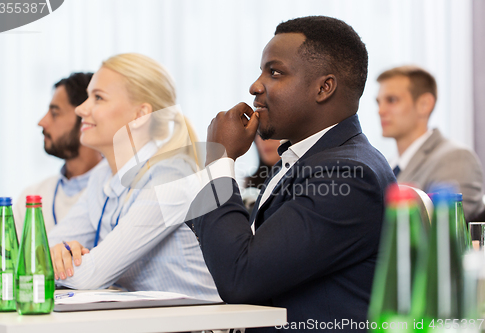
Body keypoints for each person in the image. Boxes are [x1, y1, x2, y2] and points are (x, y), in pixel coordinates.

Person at [186, 16, 396, 332]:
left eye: (275, 72)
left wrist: (220, 160)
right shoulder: (308, 157)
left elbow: (240, 277)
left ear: (324, 88)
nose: (256, 85)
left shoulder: (349, 175)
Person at [48, 53, 219, 301]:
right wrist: (58, 253)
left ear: (141, 115)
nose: (81, 109)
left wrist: (55, 264)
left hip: (201, 327)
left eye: (98, 98)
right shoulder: (101, 177)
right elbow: (38, 251)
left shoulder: (171, 178)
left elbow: (90, 277)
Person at [377, 65, 485, 221]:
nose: (380, 110)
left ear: (424, 104)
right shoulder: (385, 165)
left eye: (391, 100)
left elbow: (446, 228)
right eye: (378, 102)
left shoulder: (456, 158)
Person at [14, 73, 102, 234]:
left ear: (86, 116)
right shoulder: (33, 196)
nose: (42, 122)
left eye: (55, 113)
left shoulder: (114, 193)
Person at [242, 137, 281, 213]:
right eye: (258, 133)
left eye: (272, 132)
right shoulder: (250, 184)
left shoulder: (302, 179)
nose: (265, 140)